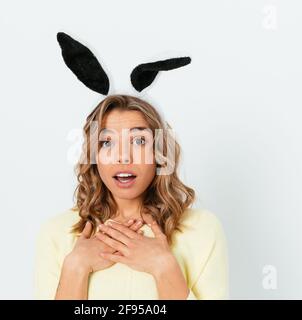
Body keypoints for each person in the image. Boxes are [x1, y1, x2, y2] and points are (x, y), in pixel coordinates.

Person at [35, 94, 228, 299]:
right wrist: (75, 268)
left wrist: (163, 267)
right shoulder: (56, 232)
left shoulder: (202, 229)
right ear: (94, 156)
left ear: (158, 153)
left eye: (138, 141)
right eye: (107, 142)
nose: (123, 156)